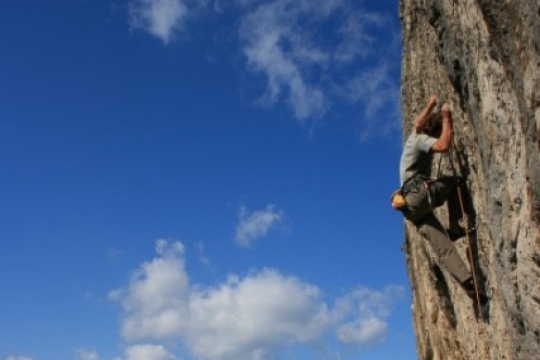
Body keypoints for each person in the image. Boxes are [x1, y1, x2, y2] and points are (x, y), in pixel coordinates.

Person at [396, 94, 488, 310]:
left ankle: (471, 289)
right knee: (455, 182)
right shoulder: (422, 140)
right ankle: (455, 226)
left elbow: (417, 122)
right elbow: (444, 145)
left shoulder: (415, 134)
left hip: (411, 210)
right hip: (418, 195)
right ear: (433, 132)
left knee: (443, 248)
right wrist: (446, 117)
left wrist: (429, 105)